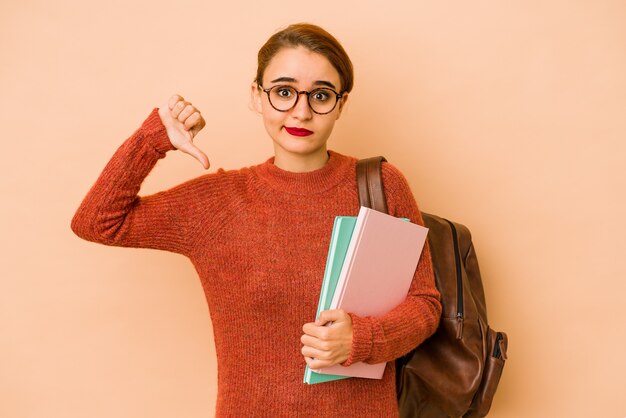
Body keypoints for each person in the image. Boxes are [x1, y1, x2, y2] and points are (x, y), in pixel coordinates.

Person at [71, 23, 441, 417]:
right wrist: (152, 140)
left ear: (341, 103)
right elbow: (96, 221)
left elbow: (425, 305)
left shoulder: (381, 185)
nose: (301, 111)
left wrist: (364, 339)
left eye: (320, 95)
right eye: (284, 92)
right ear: (256, 96)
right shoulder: (216, 204)